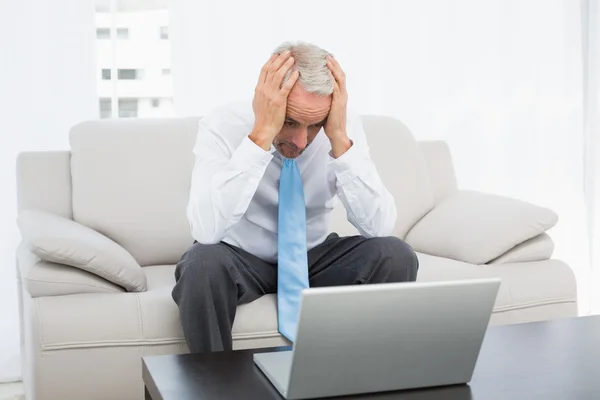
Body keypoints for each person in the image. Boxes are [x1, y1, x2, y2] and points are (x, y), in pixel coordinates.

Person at [172, 41, 419, 353]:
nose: (301, 141)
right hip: (242, 257)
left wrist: (339, 138)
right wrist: (261, 135)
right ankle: (215, 387)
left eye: (314, 125)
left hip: (313, 255)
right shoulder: (222, 124)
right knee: (201, 264)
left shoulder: (342, 125)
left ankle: (370, 379)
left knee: (395, 254)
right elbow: (206, 231)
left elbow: (380, 228)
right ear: (263, 99)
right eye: (289, 121)